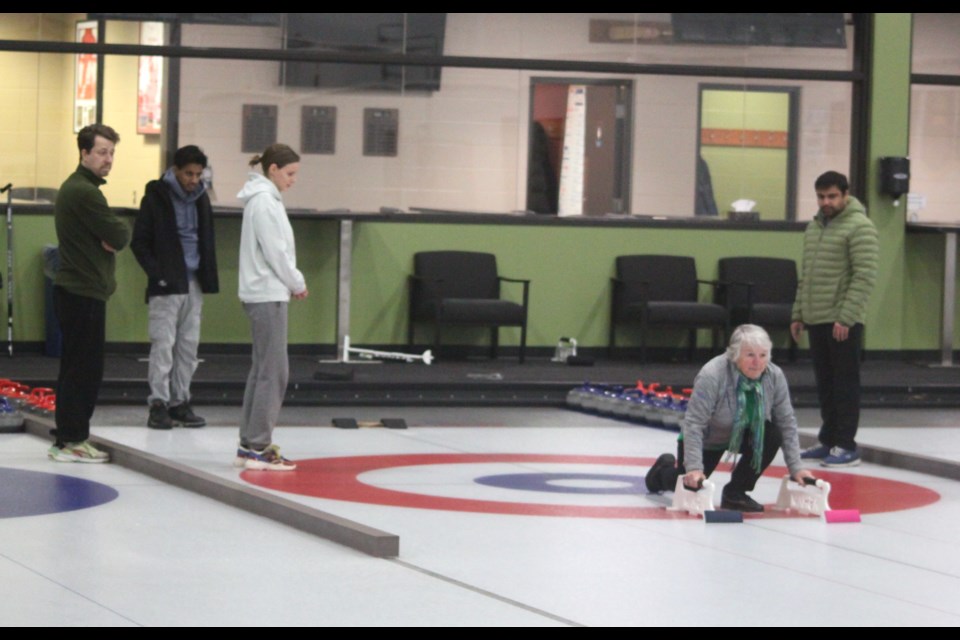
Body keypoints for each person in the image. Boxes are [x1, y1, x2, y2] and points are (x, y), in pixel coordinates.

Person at [645, 324, 815, 512]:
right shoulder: (712, 375)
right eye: (750, 355)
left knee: (772, 433)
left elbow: (786, 423)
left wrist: (796, 467)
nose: (757, 362)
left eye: (763, 355)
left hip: (742, 434)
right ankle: (660, 474)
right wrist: (694, 467)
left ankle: (736, 493)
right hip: (707, 439)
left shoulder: (774, 376)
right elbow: (693, 424)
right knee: (687, 483)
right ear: (735, 355)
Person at [48, 124, 130, 463]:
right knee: (84, 369)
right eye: (101, 152)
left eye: (111, 152)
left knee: (76, 367)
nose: (108, 159)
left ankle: (69, 437)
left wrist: (111, 233)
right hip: (82, 292)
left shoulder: (81, 189)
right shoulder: (84, 192)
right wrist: (114, 233)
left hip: (79, 291)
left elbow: (113, 233)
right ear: (83, 153)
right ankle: (72, 439)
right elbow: (120, 234)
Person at [791, 171, 879, 468]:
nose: (825, 202)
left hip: (843, 320)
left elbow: (864, 276)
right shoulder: (815, 227)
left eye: (831, 196)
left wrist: (847, 317)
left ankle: (846, 444)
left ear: (845, 195)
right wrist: (798, 313)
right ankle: (828, 439)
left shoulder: (860, 227)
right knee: (825, 383)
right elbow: (808, 275)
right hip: (816, 316)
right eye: (821, 196)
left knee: (844, 383)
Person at [131, 145, 219, 430]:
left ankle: (180, 402)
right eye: (188, 174)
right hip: (168, 282)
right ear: (176, 171)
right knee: (163, 344)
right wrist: (158, 274)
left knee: (188, 347)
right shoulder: (157, 196)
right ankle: (158, 403)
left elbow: (205, 237)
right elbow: (139, 242)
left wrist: (207, 276)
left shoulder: (201, 198)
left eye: (198, 174)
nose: (193, 179)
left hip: (194, 280)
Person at [234, 143, 307, 471]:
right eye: (289, 173)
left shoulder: (264, 199)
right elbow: (276, 252)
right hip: (267, 293)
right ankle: (258, 446)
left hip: (263, 292)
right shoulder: (265, 203)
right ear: (273, 169)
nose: (293, 180)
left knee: (262, 369)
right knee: (274, 371)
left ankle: (249, 443)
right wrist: (296, 282)